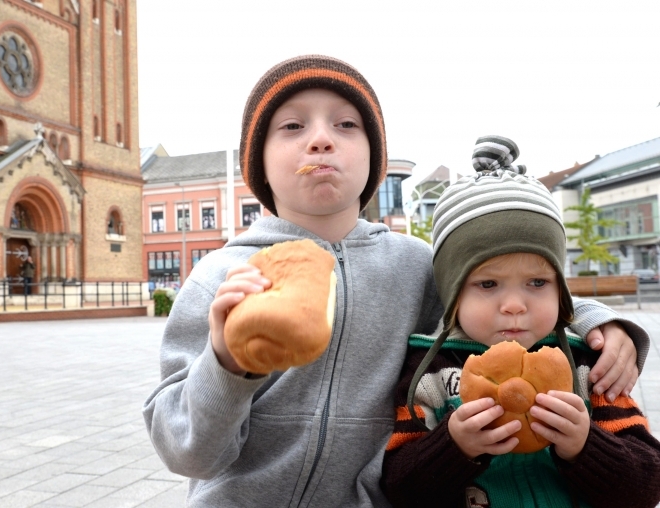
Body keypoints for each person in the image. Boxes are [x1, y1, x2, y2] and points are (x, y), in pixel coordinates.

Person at [142, 57, 649, 507]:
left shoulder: (414, 266)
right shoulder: (222, 277)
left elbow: (508, 284)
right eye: (293, 125)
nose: (321, 138)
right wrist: (227, 363)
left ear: (372, 158)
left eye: (345, 124)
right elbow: (188, 452)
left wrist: (602, 321)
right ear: (259, 166)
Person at [380, 136, 660, 507]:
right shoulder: (429, 374)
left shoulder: (589, 370)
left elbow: (645, 489)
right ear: (452, 293)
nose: (514, 305)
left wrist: (584, 445)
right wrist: (453, 447)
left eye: (538, 282)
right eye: (488, 284)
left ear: (560, 290)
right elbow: (399, 489)